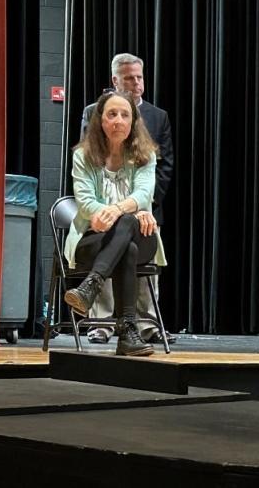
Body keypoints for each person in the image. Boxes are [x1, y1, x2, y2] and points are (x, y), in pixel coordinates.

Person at [80, 53, 175, 345]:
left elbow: (164, 166)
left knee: (143, 264)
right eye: (129, 78)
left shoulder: (158, 117)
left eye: (139, 77)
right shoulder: (94, 113)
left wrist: (146, 206)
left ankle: (146, 324)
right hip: (104, 207)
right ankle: (103, 323)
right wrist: (111, 209)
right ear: (115, 81)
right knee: (116, 241)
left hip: (143, 210)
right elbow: (90, 161)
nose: (135, 84)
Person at [64, 91, 166, 357]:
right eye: (112, 114)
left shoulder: (145, 156)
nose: (118, 120)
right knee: (127, 249)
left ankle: (91, 285)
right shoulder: (83, 156)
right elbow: (85, 202)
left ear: (133, 122)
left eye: (125, 115)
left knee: (130, 225)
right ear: (100, 121)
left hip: (142, 235)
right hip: (93, 237)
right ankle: (127, 333)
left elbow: (144, 194)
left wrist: (119, 211)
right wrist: (125, 212)